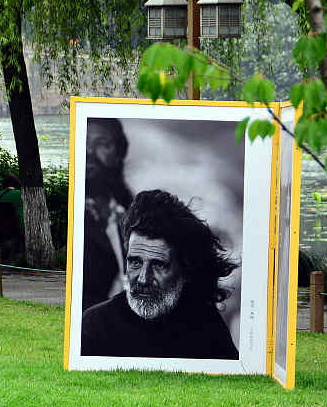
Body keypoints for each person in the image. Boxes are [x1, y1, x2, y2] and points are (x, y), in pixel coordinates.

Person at [81, 189, 239, 360]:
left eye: (158, 265)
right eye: (135, 262)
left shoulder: (207, 326)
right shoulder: (95, 327)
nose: (143, 279)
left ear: (185, 270)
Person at [82, 118, 134, 309]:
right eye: (84, 142)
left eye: (101, 144)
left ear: (119, 153)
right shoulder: (75, 214)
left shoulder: (128, 210)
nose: (89, 152)